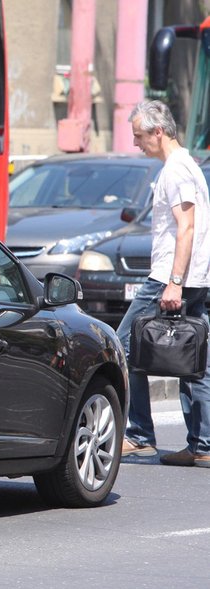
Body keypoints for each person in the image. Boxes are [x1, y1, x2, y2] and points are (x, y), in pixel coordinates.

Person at [119, 99, 210, 467]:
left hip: (170, 279)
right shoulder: (190, 166)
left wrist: (173, 283)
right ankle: (203, 444)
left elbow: (186, 227)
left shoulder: (175, 171)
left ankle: (139, 435)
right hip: (196, 277)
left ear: (159, 132)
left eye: (140, 136)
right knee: (194, 361)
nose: (137, 143)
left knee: (123, 346)